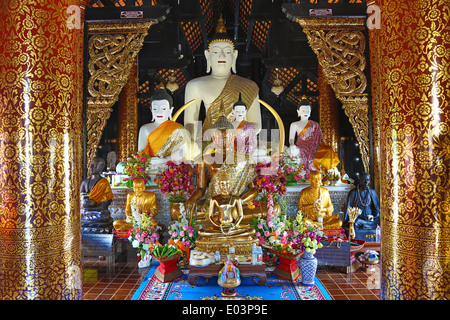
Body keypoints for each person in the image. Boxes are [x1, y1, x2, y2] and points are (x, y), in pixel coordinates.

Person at [184, 15, 261, 158]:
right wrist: (193, 145)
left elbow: (256, 124)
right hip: (208, 144)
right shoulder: (195, 85)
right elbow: (190, 123)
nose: (222, 55)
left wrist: (233, 134)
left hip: (239, 146)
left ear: (234, 56)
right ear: (207, 56)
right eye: (215, 52)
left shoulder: (248, 86)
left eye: (227, 51)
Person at [138, 87, 190, 164]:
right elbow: (141, 152)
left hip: (170, 165)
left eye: (164, 109)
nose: (159, 112)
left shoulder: (178, 128)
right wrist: (150, 160)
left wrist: (166, 159)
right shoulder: (145, 129)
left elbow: (183, 151)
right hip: (152, 165)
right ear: (151, 110)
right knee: (120, 166)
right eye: (155, 109)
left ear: (170, 110)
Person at [289, 99, 339, 173]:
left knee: (328, 150)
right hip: (301, 146)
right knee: (298, 151)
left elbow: (320, 138)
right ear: (298, 112)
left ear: (310, 112)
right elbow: (291, 138)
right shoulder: (294, 124)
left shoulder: (315, 124)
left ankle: (328, 172)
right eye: (303, 110)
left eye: (307, 110)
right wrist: (292, 145)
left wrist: (324, 145)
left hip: (314, 146)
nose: (305, 112)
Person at [80, 157, 114, 234]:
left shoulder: (104, 182)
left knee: (104, 215)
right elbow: (79, 197)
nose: (91, 167)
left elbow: (107, 200)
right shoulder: (85, 182)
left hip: (98, 211)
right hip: (86, 211)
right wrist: (85, 200)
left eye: (94, 165)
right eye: (90, 165)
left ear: (101, 168)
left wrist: (98, 206)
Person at [344, 173, 380, 241]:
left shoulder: (372, 192)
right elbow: (348, 209)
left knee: (380, 222)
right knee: (355, 223)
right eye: (364, 180)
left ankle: (366, 226)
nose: (366, 183)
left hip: (370, 221)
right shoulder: (353, 193)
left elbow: (377, 210)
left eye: (368, 180)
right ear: (360, 180)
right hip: (358, 220)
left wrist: (374, 217)